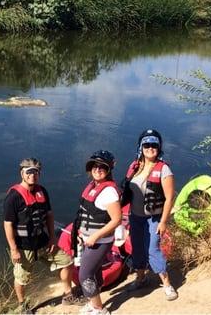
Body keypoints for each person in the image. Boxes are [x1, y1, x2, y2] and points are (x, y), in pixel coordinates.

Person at [3, 158, 84, 313]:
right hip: (24, 247)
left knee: (66, 262)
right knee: (21, 278)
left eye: (36, 172)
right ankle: (23, 306)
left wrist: (53, 237)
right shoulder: (13, 197)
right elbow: (7, 224)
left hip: (44, 242)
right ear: (22, 173)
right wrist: (13, 249)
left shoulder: (42, 191)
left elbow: (49, 215)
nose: (33, 175)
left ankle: (68, 296)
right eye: (29, 172)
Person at [121, 129, 178, 301]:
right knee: (137, 248)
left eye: (154, 145)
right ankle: (141, 278)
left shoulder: (164, 169)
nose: (150, 148)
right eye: (146, 144)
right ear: (141, 147)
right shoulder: (134, 167)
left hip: (153, 218)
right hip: (135, 217)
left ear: (159, 148)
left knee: (153, 249)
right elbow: (126, 192)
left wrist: (163, 222)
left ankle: (167, 284)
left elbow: (169, 198)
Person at [72, 150, 122, 315]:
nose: (97, 169)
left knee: (84, 275)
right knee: (94, 271)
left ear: (108, 170)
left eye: (102, 167)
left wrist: (95, 235)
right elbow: (85, 213)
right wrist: (81, 232)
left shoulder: (109, 191)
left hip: (100, 241)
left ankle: (99, 309)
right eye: (94, 166)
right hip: (89, 238)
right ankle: (94, 303)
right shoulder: (93, 186)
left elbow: (116, 220)